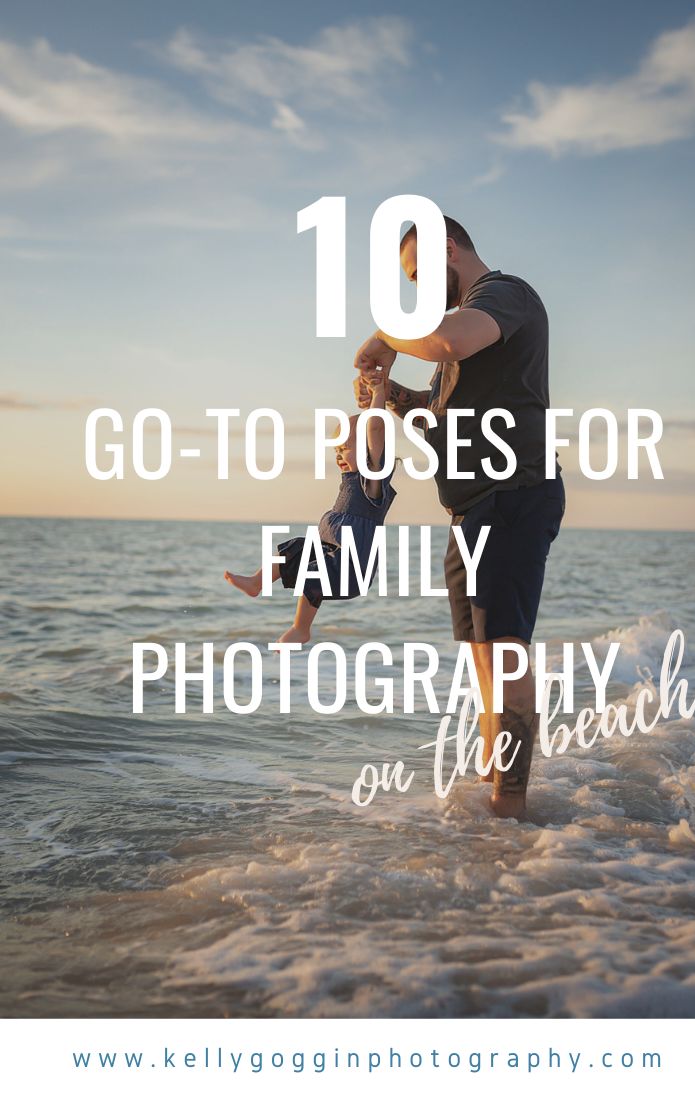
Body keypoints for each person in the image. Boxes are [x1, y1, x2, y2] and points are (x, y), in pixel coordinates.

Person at [354, 215, 564, 819]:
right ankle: (492, 786)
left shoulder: (502, 295)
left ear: (450, 246)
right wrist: (387, 396)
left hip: (513, 493)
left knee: (504, 650)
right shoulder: (456, 331)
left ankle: (510, 808)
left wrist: (387, 336)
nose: (419, 291)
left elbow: (447, 340)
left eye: (420, 273)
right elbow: (438, 416)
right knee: (480, 652)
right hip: (469, 507)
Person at [225, 370, 396, 643]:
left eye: (345, 447)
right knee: (296, 548)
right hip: (334, 555)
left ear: (369, 450)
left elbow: (375, 427)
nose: (339, 454)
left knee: (312, 572)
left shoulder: (371, 481)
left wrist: (379, 395)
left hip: (351, 570)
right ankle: (257, 582)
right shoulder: (349, 481)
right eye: (336, 450)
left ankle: (301, 629)